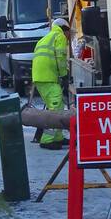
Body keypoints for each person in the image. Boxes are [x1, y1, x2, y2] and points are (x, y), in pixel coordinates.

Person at [31, 17, 70, 151]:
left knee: (57, 106)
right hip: (47, 77)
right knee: (55, 109)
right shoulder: (60, 36)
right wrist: (64, 74)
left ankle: (57, 137)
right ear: (65, 29)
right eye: (69, 32)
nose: (69, 36)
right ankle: (47, 140)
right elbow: (61, 57)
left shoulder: (46, 37)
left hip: (40, 77)